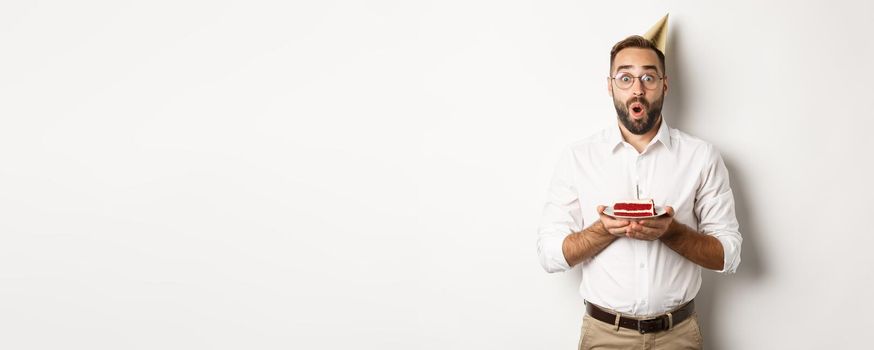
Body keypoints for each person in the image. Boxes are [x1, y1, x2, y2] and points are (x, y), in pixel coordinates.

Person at [536, 17, 742, 350]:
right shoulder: (578, 157)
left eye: (648, 77)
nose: (637, 88)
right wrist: (604, 229)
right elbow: (549, 255)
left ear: (665, 84)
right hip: (604, 336)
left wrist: (671, 231)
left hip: (679, 335)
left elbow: (729, 255)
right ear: (609, 85)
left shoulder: (701, 157)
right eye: (625, 77)